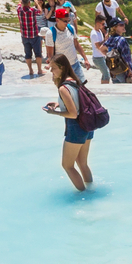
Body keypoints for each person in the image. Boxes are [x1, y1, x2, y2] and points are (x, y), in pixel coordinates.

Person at [45, 61, 97, 191]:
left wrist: (54, 112)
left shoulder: (63, 88)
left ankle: (82, 194)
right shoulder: (74, 81)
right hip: (88, 124)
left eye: (54, 68)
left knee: (67, 165)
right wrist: (59, 105)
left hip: (76, 128)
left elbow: (73, 114)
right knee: (82, 163)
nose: (51, 71)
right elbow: (78, 102)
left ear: (62, 68)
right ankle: (91, 189)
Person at [16, 0, 45, 78]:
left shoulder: (19, 10)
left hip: (24, 35)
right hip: (34, 35)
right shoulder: (32, 10)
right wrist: (36, 3)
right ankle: (39, 69)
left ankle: (30, 70)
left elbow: (18, 3)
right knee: (38, 53)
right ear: (29, 3)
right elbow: (40, 12)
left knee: (28, 54)